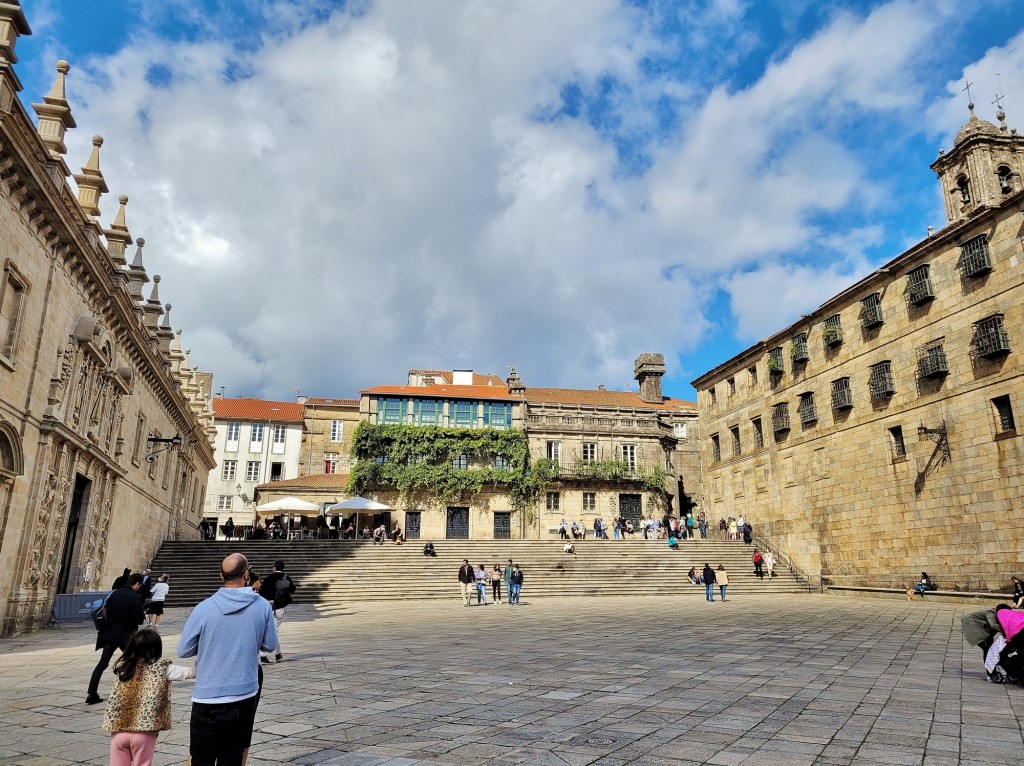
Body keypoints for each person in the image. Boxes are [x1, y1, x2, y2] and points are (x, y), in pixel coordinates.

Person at [177, 553, 277, 766]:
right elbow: (269, 645)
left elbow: (184, 650)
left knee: (201, 759)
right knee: (232, 759)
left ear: (221, 576)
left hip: (207, 696)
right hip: (244, 694)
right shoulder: (262, 606)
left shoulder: (203, 608)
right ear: (246, 575)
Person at [104, 627, 195, 766]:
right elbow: (190, 672)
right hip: (144, 733)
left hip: (118, 731)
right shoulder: (162, 667)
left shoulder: (125, 668)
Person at [87, 573, 146, 705]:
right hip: (125, 636)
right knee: (134, 661)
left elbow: (105, 610)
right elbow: (139, 618)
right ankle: (134, 692)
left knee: (102, 663)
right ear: (137, 584)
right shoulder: (134, 597)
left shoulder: (114, 594)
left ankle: (91, 693)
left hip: (109, 634)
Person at [258, 559, 295, 664]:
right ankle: (268, 655)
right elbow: (293, 589)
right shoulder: (286, 577)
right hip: (279, 607)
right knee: (274, 631)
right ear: (283, 568)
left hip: (267, 606)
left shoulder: (268, 578)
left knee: (271, 631)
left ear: (274, 567)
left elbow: (261, 593)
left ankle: (276, 654)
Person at [962, 605, 1011, 682]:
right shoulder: (991, 613)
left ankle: (993, 671)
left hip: (984, 630)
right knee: (988, 651)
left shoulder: (997, 615)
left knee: (990, 650)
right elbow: (993, 625)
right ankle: (990, 674)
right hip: (974, 627)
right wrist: (1006, 631)